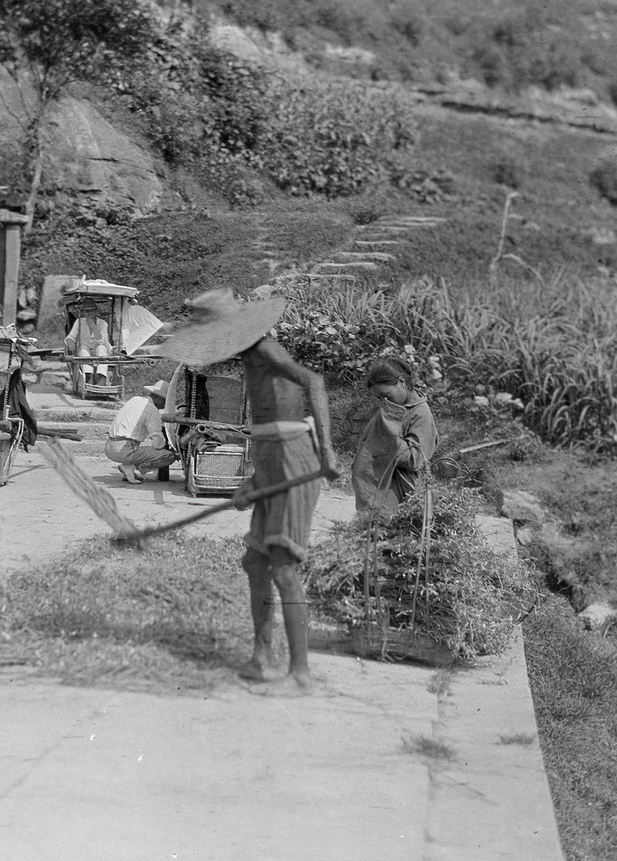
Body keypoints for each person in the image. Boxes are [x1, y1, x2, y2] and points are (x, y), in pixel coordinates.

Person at [160, 289, 341, 695]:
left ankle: (300, 674)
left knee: (283, 568)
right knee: (256, 565)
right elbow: (266, 432)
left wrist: (327, 450)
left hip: (294, 459)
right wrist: (252, 482)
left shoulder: (267, 350)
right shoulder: (249, 359)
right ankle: (263, 657)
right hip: (271, 460)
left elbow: (314, 382)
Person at [349, 357, 439, 519]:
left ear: (402, 383)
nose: (383, 401)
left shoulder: (421, 414)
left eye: (386, 395)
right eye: (379, 398)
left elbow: (417, 458)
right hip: (379, 486)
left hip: (402, 492)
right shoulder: (394, 407)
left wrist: (389, 438)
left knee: (388, 531)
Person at [104, 378, 178, 484]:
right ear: (159, 398)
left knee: (138, 447)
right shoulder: (152, 409)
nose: (164, 405)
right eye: (165, 402)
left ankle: (128, 469)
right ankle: (130, 467)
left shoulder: (135, 400)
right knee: (168, 456)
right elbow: (158, 444)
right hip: (123, 450)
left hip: (109, 446)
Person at [64, 298, 112, 387]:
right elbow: (71, 336)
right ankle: (88, 376)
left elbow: (103, 341)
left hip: (100, 348)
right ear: (84, 312)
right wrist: (71, 343)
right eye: (87, 311)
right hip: (84, 348)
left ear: (96, 311)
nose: (90, 313)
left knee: (101, 349)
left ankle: (101, 378)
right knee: (83, 351)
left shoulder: (103, 323)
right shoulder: (79, 322)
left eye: (92, 311)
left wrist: (93, 327)